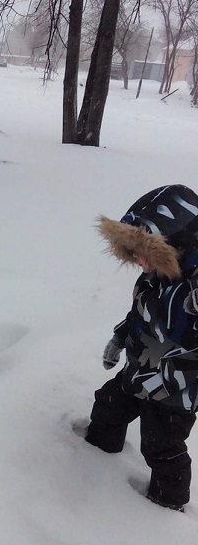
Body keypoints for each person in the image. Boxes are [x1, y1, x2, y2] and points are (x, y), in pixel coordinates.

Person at [86, 184, 198, 512]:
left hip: (175, 390)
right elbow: (139, 314)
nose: (137, 259)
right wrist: (120, 338)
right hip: (139, 371)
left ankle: (166, 506)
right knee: (107, 407)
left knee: (161, 447)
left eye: (144, 251)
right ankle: (91, 459)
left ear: (176, 245)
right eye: (132, 251)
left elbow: (181, 329)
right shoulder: (152, 278)